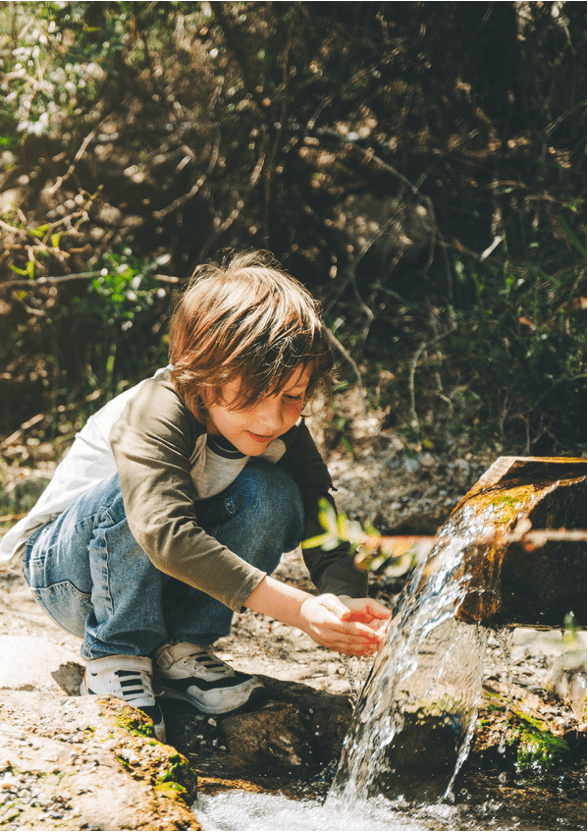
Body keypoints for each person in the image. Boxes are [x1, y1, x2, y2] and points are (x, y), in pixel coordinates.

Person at [0, 250, 391, 742]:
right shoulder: (156, 411)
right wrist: (299, 611)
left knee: (276, 494)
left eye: (293, 396)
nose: (273, 419)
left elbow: (318, 515)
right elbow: (163, 533)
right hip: (70, 576)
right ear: (204, 373)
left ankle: (182, 649)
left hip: (161, 579)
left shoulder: (282, 428)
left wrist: (347, 600)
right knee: (136, 500)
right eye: (254, 393)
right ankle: (115, 653)